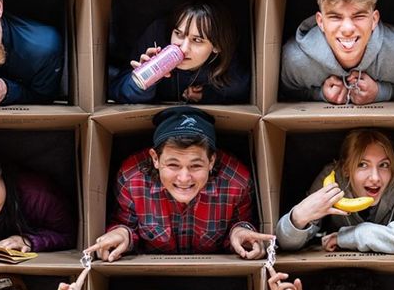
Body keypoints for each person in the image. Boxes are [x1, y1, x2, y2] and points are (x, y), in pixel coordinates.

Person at [87, 106, 272, 261]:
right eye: (173, 165)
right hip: (150, 277)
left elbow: (241, 222)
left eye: (195, 166)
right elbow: (125, 223)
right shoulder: (131, 177)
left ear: (212, 161)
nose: (184, 178)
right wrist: (121, 234)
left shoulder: (237, 181)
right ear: (155, 159)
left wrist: (240, 233)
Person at [276, 129, 394, 255]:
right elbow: (285, 244)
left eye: (384, 165)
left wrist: (352, 236)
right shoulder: (332, 180)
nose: (375, 178)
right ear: (346, 169)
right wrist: (298, 217)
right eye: (362, 164)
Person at [279, 0, 394, 104]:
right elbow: (287, 95)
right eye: (335, 17)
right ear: (320, 22)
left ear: (374, 20)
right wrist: (320, 94)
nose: (347, 29)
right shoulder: (295, 59)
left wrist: (380, 92)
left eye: (359, 16)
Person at [108, 0, 250, 105]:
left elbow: (244, 96)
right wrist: (142, 81)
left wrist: (207, 97)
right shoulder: (157, 37)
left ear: (217, 46)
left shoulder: (232, 75)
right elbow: (114, 91)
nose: (183, 48)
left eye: (197, 40)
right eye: (179, 34)